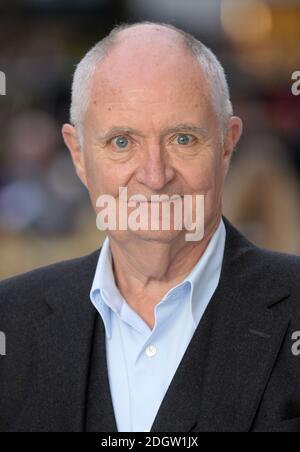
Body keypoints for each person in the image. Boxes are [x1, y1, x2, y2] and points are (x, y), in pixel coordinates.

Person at [0, 22, 300, 433]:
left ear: (227, 145)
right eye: (122, 142)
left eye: (182, 139)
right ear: (79, 154)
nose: (155, 176)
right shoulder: (10, 322)